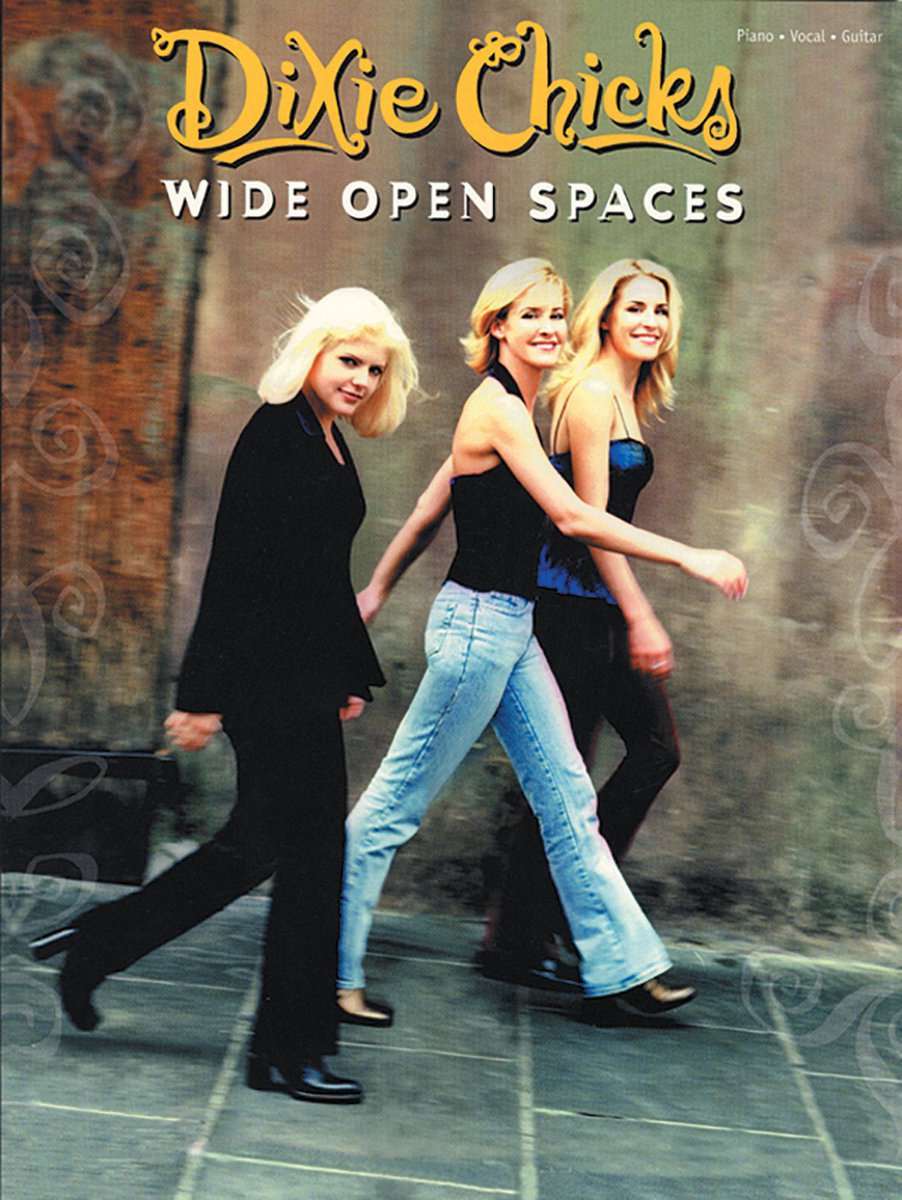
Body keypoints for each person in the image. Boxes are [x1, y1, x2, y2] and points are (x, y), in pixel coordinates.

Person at [29, 287, 418, 1104]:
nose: (360, 378)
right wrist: (201, 696)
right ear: (313, 352)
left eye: (374, 369)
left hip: (302, 679)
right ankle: (287, 1053)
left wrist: (346, 675)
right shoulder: (275, 433)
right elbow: (236, 571)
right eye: (348, 360)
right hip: (264, 684)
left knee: (257, 844)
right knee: (314, 858)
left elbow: (320, 575)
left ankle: (98, 943)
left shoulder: (327, 436)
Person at [338, 258, 747, 1029]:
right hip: (476, 630)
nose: (550, 328)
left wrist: (378, 590)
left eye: (557, 314)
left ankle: (622, 967)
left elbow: (431, 503)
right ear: (496, 327)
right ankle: (327, 967)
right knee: (393, 806)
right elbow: (576, 518)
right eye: (531, 316)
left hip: (512, 626)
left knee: (569, 803)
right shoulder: (496, 407)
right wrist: (691, 557)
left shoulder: (522, 407)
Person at [482, 258, 691, 985]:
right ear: (605, 316)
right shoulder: (593, 392)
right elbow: (590, 525)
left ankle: (533, 926)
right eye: (636, 308)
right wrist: (642, 616)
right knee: (566, 777)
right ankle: (532, 933)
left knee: (643, 755)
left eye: (660, 310)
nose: (650, 321)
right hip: (569, 608)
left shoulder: (625, 393)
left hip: (594, 604)